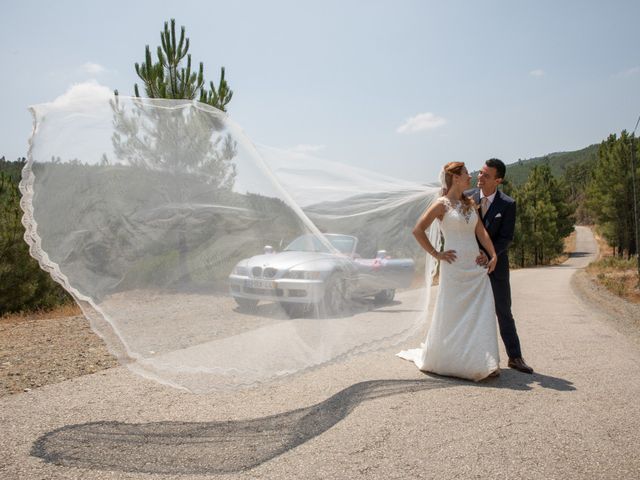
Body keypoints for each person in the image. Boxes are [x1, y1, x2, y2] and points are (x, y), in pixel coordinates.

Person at [397, 162, 500, 381]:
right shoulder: (441, 205)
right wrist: (437, 253)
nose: (470, 176)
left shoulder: (470, 203)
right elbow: (418, 230)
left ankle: (483, 361)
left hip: (475, 267)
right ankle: (452, 360)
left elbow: (481, 232)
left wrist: (493, 255)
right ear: (455, 178)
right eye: (465, 173)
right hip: (453, 268)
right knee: (453, 314)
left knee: (480, 313)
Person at [467, 158, 533, 374]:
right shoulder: (467, 198)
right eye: (480, 173)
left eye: (486, 175)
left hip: (497, 265)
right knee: (468, 310)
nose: (480, 177)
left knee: (503, 310)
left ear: (498, 180)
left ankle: (515, 357)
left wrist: (489, 255)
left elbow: (506, 238)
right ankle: (468, 355)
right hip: (469, 265)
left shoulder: (508, 204)